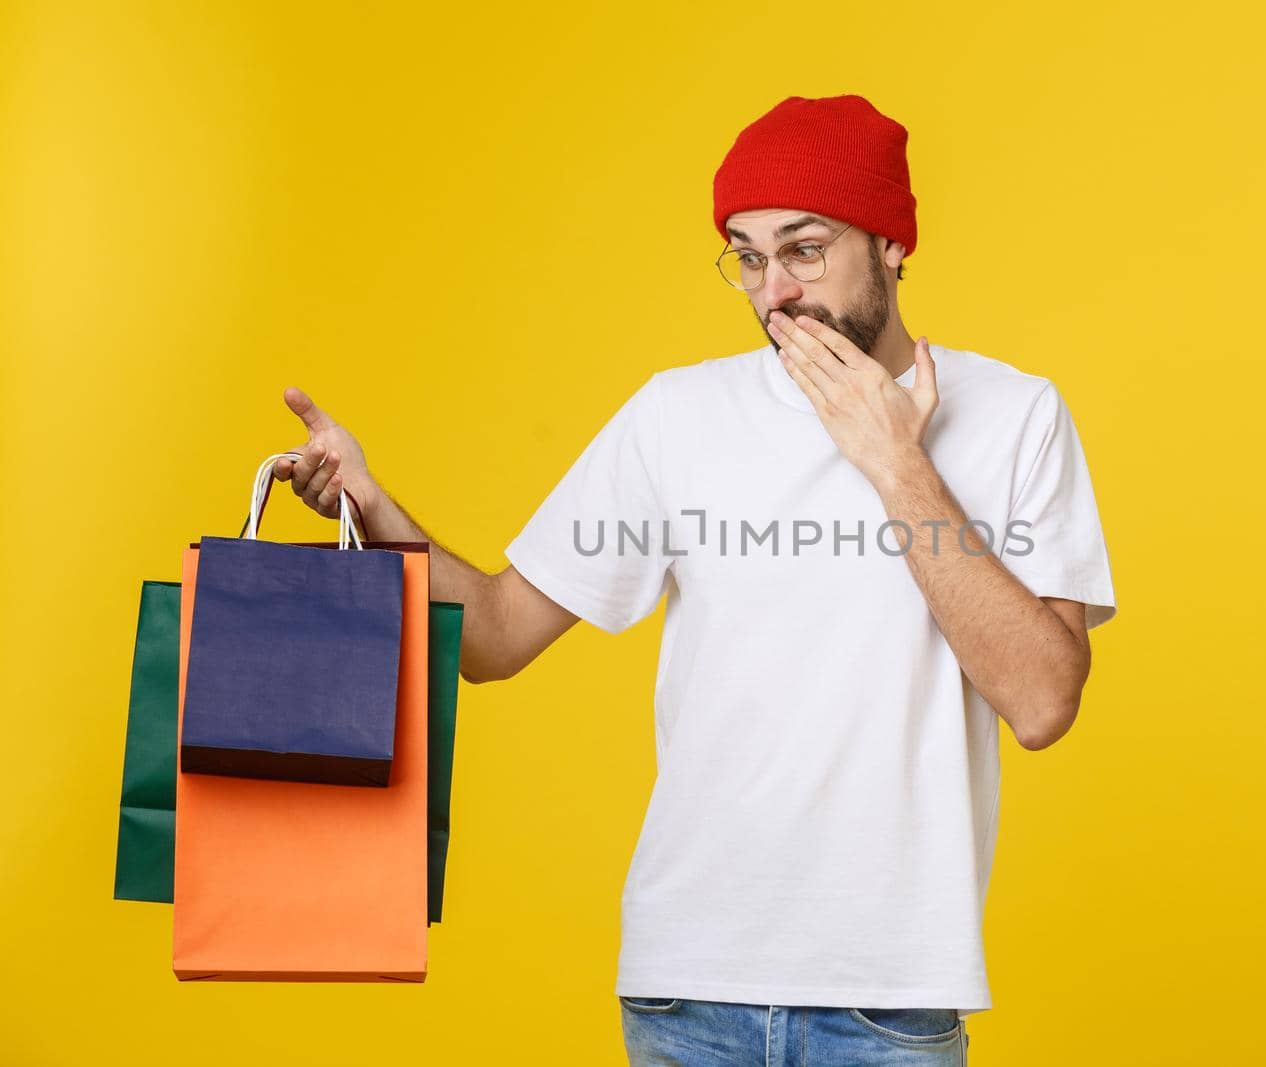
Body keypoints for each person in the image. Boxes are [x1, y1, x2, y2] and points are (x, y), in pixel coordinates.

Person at [272, 93, 1117, 1066]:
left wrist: (895, 461)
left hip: (886, 1000)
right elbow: (496, 634)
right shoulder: (675, 416)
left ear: (890, 243)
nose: (773, 291)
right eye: (748, 256)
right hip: (685, 993)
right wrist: (372, 508)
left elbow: (1043, 700)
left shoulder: (1015, 415)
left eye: (804, 248)